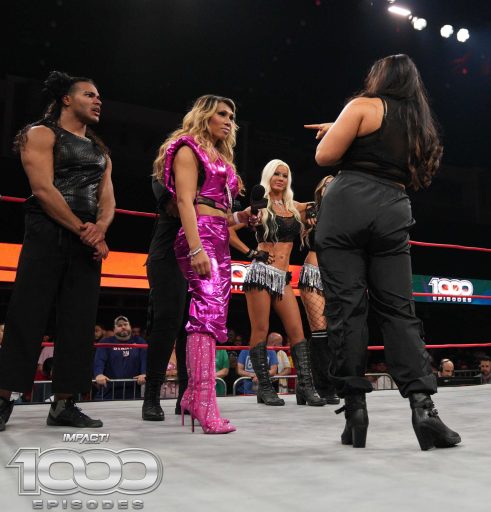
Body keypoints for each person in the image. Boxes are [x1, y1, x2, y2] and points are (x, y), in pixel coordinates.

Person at [307, 54, 460, 450]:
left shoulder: (362, 105)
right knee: (399, 310)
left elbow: (325, 157)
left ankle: (355, 411)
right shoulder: (420, 124)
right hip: (392, 206)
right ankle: (424, 410)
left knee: (346, 309)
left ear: (380, 77)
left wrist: (337, 131)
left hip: (347, 204)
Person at [0, 71, 114, 431]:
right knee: (27, 312)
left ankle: (65, 403)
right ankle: (2, 398)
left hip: (86, 238)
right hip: (48, 229)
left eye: (99, 96)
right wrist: (85, 230)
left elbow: (107, 200)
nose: (97, 100)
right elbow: (43, 190)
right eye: (89, 94)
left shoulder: (100, 152)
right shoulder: (40, 133)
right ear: (66, 98)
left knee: (80, 320)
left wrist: (100, 229)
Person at [153, 94, 248, 434]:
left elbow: (221, 212)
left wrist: (241, 217)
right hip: (200, 237)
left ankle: (194, 396)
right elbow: (184, 200)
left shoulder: (220, 156)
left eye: (231, 116)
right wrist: (196, 248)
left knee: (213, 318)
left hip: (218, 235)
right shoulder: (186, 148)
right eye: (222, 114)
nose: (228, 121)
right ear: (205, 115)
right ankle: (203, 403)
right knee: (205, 317)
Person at [233, 159, 325, 407]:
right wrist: (250, 252)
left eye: (285, 175)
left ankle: (305, 388)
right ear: (268, 176)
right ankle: (264, 388)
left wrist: (313, 210)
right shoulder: (259, 206)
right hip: (261, 273)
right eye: (276, 174)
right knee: (260, 330)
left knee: (297, 332)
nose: (281, 179)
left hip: (282, 277)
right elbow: (228, 229)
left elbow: (316, 203)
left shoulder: (293, 207)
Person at [299, 175, 340, 404]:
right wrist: (309, 210)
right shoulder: (311, 210)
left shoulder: (346, 213)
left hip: (337, 277)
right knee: (320, 332)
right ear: (320, 189)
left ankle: (320, 384)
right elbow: (287, 205)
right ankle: (323, 387)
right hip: (314, 273)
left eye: (335, 183)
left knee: (336, 331)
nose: (330, 186)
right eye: (326, 183)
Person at [93, 316, 147, 400]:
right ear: (114, 330)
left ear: (130, 327)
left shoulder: (139, 341)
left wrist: (144, 373)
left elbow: (145, 359)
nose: (123, 327)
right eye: (119, 325)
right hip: (108, 390)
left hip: (133, 391)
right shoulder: (106, 342)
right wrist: (98, 374)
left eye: (125, 324)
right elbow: (99, 360)